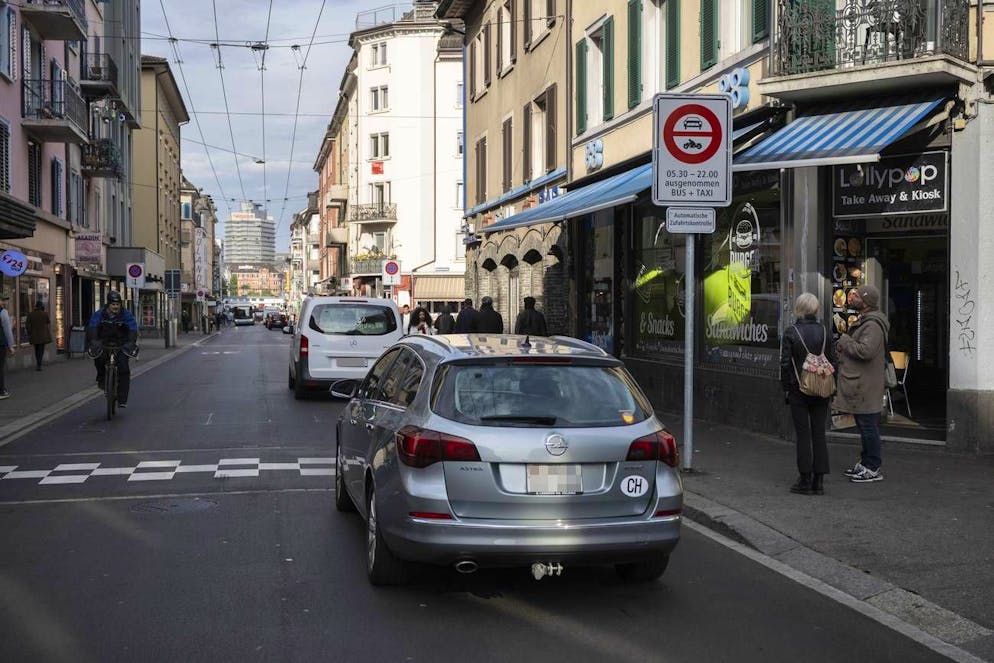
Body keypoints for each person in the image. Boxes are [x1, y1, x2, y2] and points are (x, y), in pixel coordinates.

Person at [780, 293, 837, 495]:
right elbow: (833, 361)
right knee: (819, 433)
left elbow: (785, 364)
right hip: (822, 388)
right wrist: (832, 387)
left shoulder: (791, 332)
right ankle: (819, 481)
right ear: (815, 309)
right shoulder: (825, 331)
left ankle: (805, 479)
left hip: (799, 389)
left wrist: (787, 389)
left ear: (798, 308)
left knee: (803, 434)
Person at [835, 284, 888, 484]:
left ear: (866, 301)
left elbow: (865, 351)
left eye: (856, 295)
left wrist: (845, 341)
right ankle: (866, 463)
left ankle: (872, 467)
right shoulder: (866, 321)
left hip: (866, 385)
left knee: (868, 426)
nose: (851, 297)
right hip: (862, 383)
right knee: (864, 425)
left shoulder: (872, 326)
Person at [87, 292, 139, 408]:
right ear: (108, 304)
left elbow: (132, 328)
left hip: (121, 345)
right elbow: (92, 327)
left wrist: (131, 342)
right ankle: (101, 378)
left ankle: (122, 399)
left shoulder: (126, 315)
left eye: (118, 304)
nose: (116, 306)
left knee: (124, 368)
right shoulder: (100, 314)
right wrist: (94, 341)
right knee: (98, 359)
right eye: (113, 304)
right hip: (104, 344)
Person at [25, 301, 52, 371]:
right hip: (43, 336)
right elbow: (48, 322)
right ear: (41, 306)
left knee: (36, 350)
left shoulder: (31, 314)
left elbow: (27, 325)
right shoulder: (44, 314)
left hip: (34, 335)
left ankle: (38, 363)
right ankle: (39, 364)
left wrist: (29, 333)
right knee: (41, 350)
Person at [0, 294, 14, 399]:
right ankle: (1, 391)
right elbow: (7, 330)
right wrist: (11, 345)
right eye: (2, 300)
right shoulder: (3, 312)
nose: (4, 302)